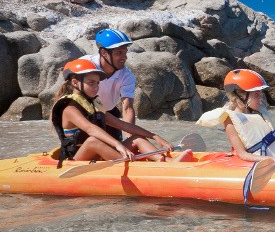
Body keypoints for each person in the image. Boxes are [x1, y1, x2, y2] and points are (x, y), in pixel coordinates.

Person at [51, 59, 192, 167]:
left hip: (97, 154)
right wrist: (118, 145)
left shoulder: (92, 105)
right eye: (91, 83)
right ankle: (139, 167)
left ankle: (168, 161)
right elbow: (90, 129)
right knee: (93, 141)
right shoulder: (69, 108)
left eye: (97, 83)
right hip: (76, 159)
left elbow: (123, 125)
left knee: (137, 138)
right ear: (75, 83)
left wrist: (155, 136)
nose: (96, 87)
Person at [82, 28, 136, 142]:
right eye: (119, 53)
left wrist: (130, 139)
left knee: (122, 146)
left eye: (125, 52)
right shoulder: (86, 66)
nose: (124, 57)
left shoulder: (127, 76)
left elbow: (127, 108)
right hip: (85, 115)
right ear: (104, 53)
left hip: (110, 115)